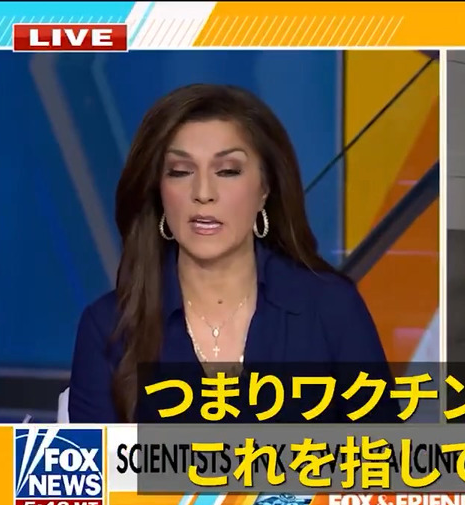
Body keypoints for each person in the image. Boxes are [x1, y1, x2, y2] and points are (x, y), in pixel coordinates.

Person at [69, 84, 398, 423]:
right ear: (159, 191)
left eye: (227, 171)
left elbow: (382, 451)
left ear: (265, 188)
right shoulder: (108, 327)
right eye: (180, 171)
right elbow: (90, 458)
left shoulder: (331, 308)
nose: (203, 192)